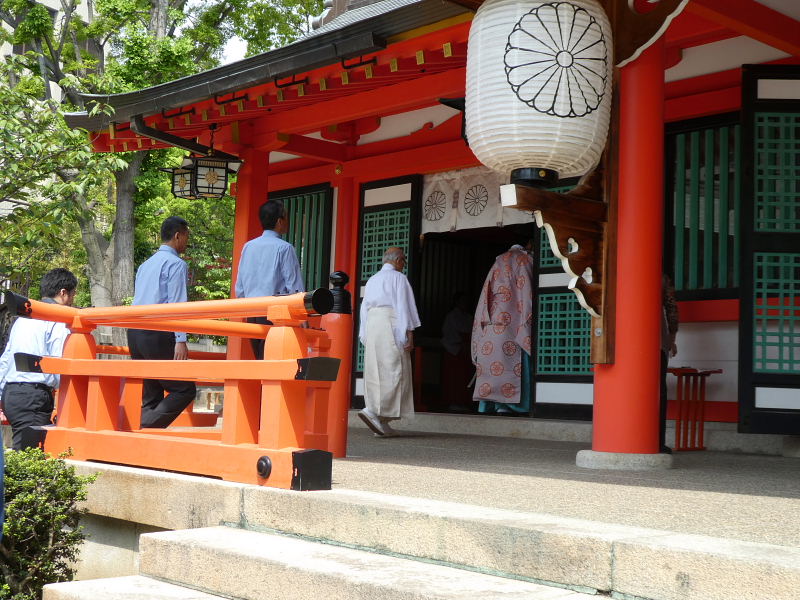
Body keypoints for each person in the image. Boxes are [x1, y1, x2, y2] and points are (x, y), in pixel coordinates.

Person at [127, 216, 196, 428]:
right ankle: (144, 428)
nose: (187, 241)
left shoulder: (146, 264)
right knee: (184, 389)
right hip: (158, 331)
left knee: (151, 392)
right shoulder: (176, 264)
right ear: (177, 236)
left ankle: (141, 442)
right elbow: (177, 303)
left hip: (135, 332)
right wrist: (181, 339)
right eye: (186, 236)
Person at [0, 268, 78, 449]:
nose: (73, 300)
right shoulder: (57, 318)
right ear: (63, 293)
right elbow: (59, 360)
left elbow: (6, 359)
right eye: (73, 294)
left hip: (11, 392)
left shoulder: (24, 318)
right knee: (30, 453)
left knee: (21, 448)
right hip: (33, 395)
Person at [358, 247, 420, 436]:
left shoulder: (372, 280)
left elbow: (364, 308)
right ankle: (374, 411)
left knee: (376, 370)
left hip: (373, 325)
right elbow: (404, 306)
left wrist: (364, 332)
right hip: (391, 324)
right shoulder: (399, 278)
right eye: (404, 261)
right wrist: (409, 333)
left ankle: (381, 422)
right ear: (399, 260)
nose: (404, 265)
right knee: (395, 370)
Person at [235, 199, 304, 360]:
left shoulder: (248, 247)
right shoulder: (284, 248)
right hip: (277, 315)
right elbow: (295, 288)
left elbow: (240, 288)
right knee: (275, 363)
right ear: (280, 221)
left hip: (252, 312)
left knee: (261, 362)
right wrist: (302, 316)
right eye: (286, 217)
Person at [472, 240, 535, 415]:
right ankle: (516, 406)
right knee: (515, 363)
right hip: (514, 320)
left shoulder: (498, 261)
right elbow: (527, 293)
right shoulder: (525, 260)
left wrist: (484, 322)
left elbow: (486, 294)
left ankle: (495, 405)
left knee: (493, 364)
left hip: (493, 322)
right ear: (529, 245)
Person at [440, 291, 475, 412]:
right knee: (454, 378)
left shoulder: (469, 317)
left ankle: (464, 402)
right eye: (462, 301)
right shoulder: (451, 316)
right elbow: (449, 334)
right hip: (454, 351)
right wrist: (461, 343)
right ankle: (453, 402)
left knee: (465, 378)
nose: (464, 304)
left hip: (466, 351)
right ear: (456, 302)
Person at [660, 274, 679, 454]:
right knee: (659, 392)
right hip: (659, 340)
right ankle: (658, 440)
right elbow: (672, 309)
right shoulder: (663, 279)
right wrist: (672, 338)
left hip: (627, 342)